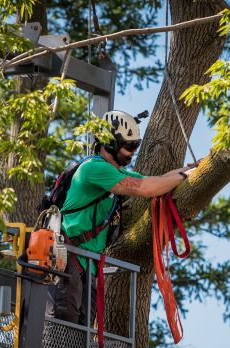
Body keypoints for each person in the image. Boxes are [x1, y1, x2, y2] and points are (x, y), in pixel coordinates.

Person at [46, 109, 197, 326]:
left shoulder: (112, 173)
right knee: (61, 326)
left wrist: (191, 170)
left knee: (81, 334)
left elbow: (154, 180)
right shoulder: (94, 168)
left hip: (86, 263)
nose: (133, 152)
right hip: (66, 256)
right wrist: (186, 175)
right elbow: (145, 188)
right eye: (130, 146)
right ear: (110, 144)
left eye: (135, 145)